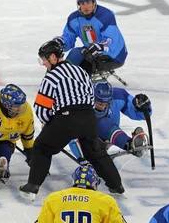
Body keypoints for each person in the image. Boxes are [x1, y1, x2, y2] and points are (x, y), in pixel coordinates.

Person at [19, 40, 124, 201]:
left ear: (53, 57)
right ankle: (116, 186)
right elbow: (90, 98)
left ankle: (32, 186)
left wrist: (49, 122)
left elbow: (41, 108)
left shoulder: (52, 76)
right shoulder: (81, 72)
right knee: (95, 152)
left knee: (42, 147)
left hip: (66, 119)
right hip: (89, 118)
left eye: (44, 60)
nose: (44, 64)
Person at [69, 81, 152, 161]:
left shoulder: (118, 96)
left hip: (109, 136)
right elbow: (72, 134)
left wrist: (143, 107)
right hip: (87, 137)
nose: (103, 107)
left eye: (107, 104)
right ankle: (87, 158)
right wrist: (83, 159)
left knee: (105, 123)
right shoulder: (79, 103)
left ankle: (129, 144)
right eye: (100, 104)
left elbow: (138, 114)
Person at [53, 0, 127, 77]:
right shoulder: (74, 19)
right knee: (75, 53)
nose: (85, 7)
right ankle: (63, 76)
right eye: (82, 3)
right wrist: (61, 42)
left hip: (114, 54)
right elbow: (68, 37)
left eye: (88, 2)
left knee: (84, 65)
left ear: (93, 2)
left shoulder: (105, 16)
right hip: (91, 52)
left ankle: (79, 82)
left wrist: (101, 47)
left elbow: (111, 40)